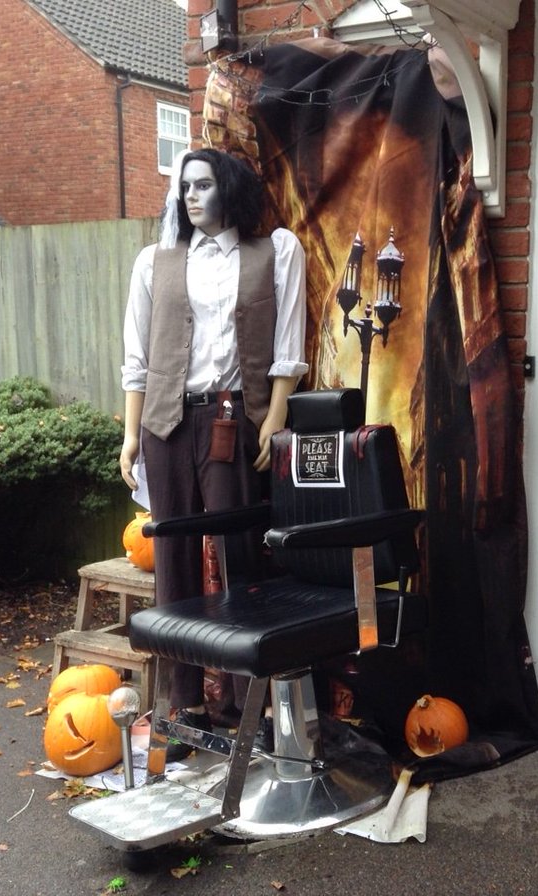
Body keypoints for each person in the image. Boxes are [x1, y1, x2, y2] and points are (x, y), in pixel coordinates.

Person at [119, 148, 308, 758]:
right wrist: (129, 435)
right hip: (167, 420)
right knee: (171, 553)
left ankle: (241, 700)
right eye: (184, 188)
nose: (190, 197)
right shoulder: (157, 262)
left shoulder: (273, 252)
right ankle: (186, 706)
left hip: (233, 416)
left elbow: (287, 343)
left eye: (202, 185)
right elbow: (137, 358)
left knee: (237, 555)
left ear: (229, 189)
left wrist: (274, 414)